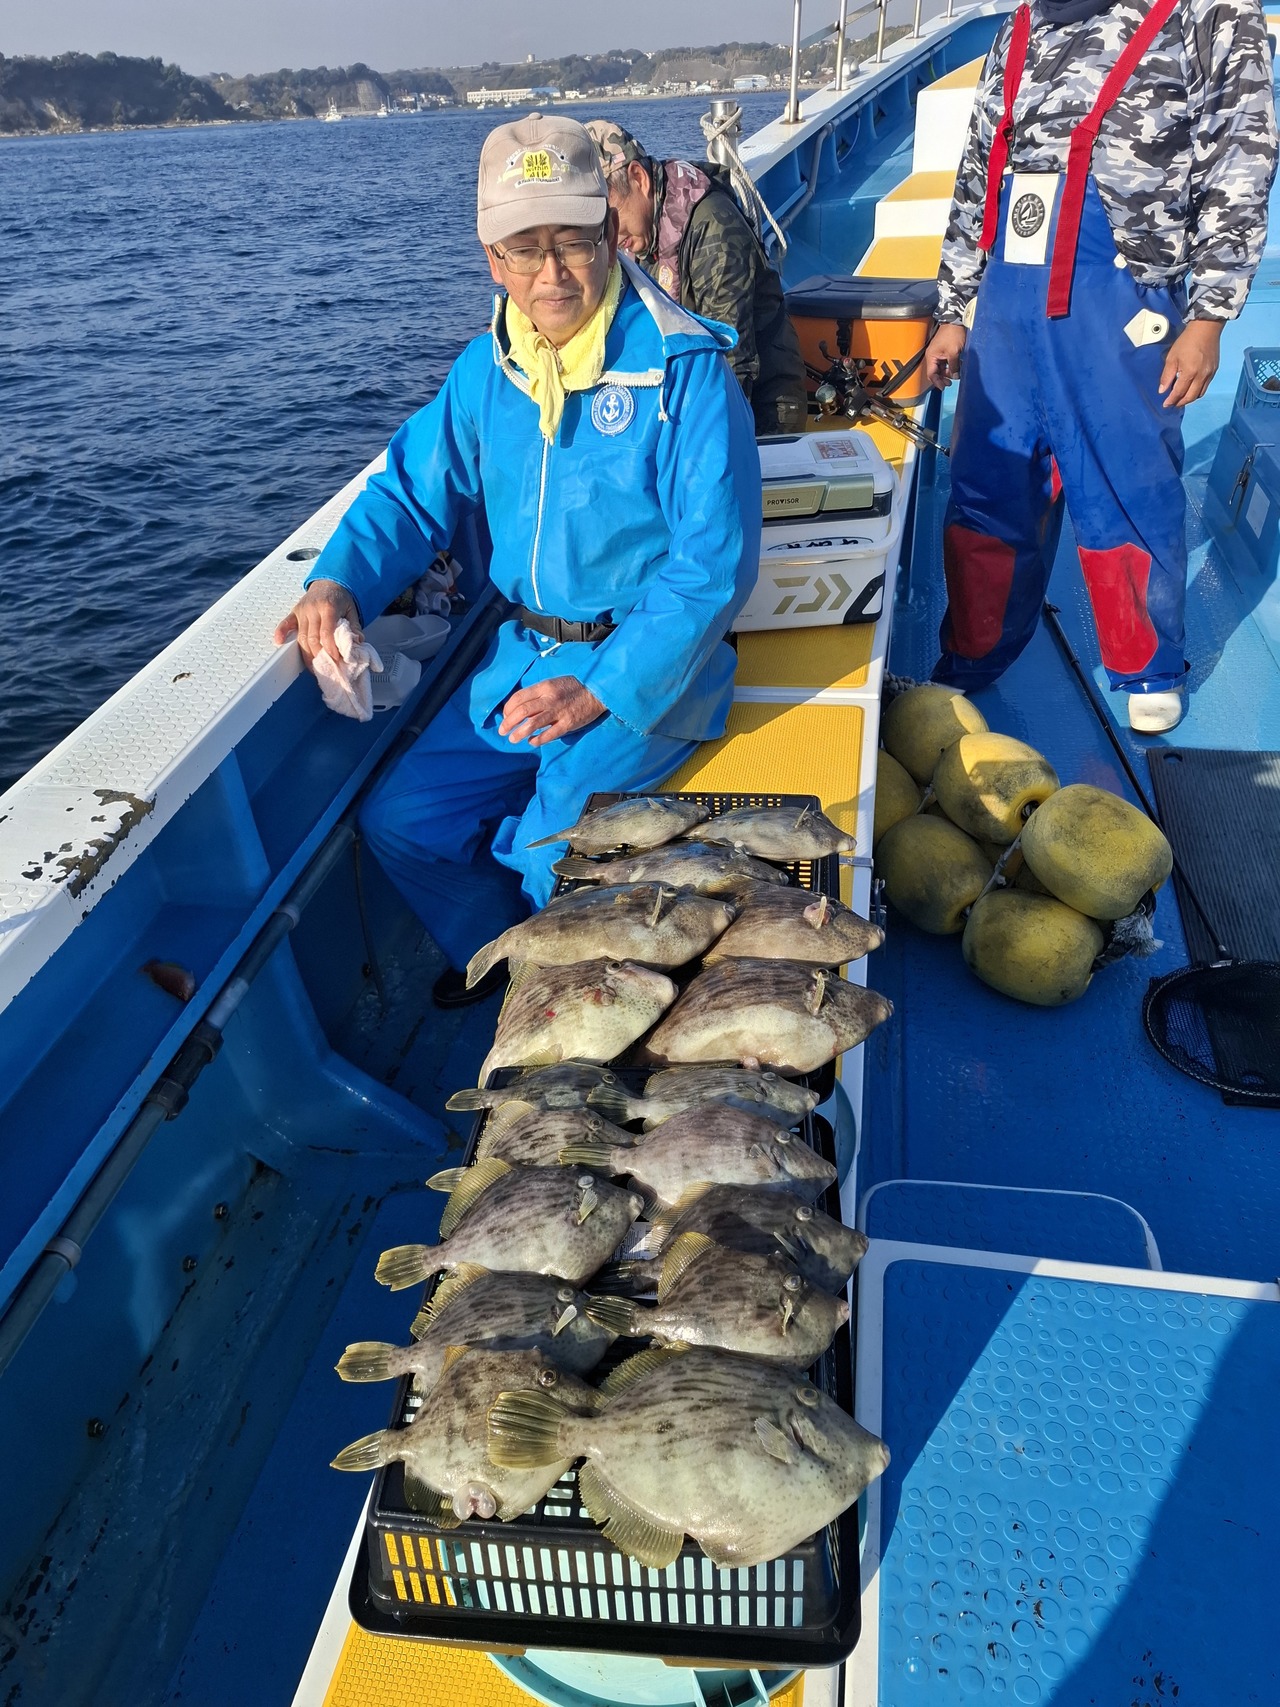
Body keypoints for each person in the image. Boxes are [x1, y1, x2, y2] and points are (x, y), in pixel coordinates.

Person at [273, 113, 761, 1007]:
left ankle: (564, 1008)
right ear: (491, 259)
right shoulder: (485, 370)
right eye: (524, 249)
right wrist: (337, 580)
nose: (551, 274)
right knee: (401, 819)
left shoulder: (684, 368)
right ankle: (506, 960)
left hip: (644, 674)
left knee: (551, 850)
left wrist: (600, 689)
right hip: (521, 659)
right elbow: (411, 492)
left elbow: (711, 569)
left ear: (608, 232)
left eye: (571, 241)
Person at [922, 0, 1277, 733]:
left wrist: (1209, 316)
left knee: (1125, 482)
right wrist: (954, 311)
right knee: (989, 484)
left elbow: (1240, 154)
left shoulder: (1207, 13)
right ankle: (975, 653)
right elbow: (977, 172)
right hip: (1004, 303)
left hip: (1118, 303)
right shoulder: (1017, 28)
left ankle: (1147, 664)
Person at [585, 118, 809, 438]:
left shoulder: (714, 228)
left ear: (638, 178)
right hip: (687, 395)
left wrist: (702, 446)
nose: (609, 233)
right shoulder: (639, 232)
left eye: (610, 215)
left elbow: (733, 357)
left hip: (762, 406)